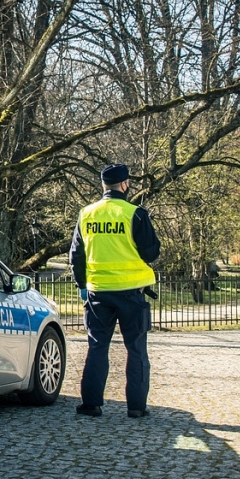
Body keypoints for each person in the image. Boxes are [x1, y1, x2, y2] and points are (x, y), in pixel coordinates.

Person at [69, 163, 161, 418]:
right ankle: (136, 407)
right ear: (124, 184)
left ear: (103, 185)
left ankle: (91, 404)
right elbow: (151, 253)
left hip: (98, 292)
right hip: (131, 292)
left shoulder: (87, 214)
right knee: (136, 348)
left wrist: (82, 285)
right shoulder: (136, 214)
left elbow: (76, 254)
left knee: (97, 346)